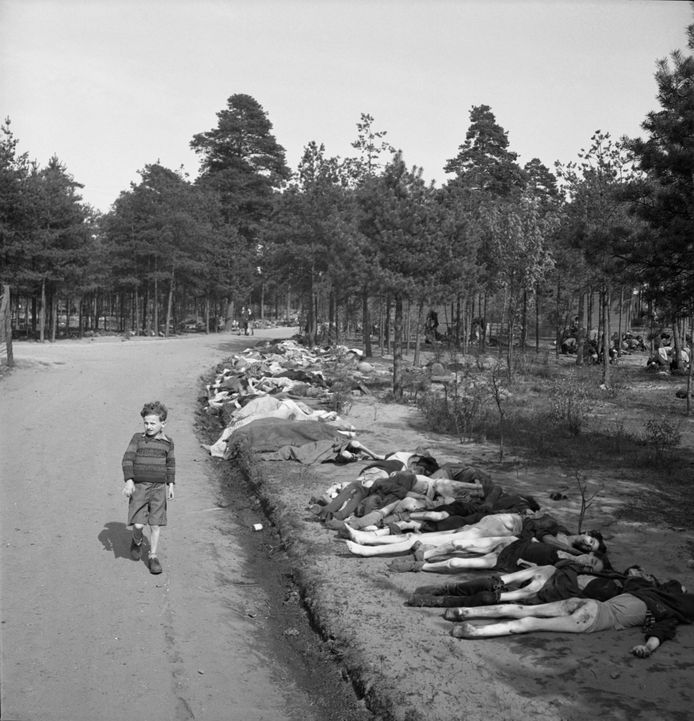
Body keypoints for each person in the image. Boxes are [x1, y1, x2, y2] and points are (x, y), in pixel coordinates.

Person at [445, 566, 694, 659]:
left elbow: (660, 631)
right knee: (531, 621)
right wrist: (648, 647)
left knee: (525, 611)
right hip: (593, 617)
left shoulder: (647, 592)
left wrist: (647, 647)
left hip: (589, 604)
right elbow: (661, 632)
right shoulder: (663, 609)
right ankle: (473, 630)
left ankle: (463, 611)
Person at [122, 401, 175, 574]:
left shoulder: (168, 443)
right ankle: (136, 541)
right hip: (140, 487)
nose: (149, 426)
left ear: (163, 424)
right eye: (146, 423)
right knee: (138, 524)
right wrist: (129, 480)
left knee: (155, 524)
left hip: (158, 488)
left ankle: (153, 556)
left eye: (153, 423)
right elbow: (127, 459)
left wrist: (171, 484)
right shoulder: (138, 439)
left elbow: (170, 464)